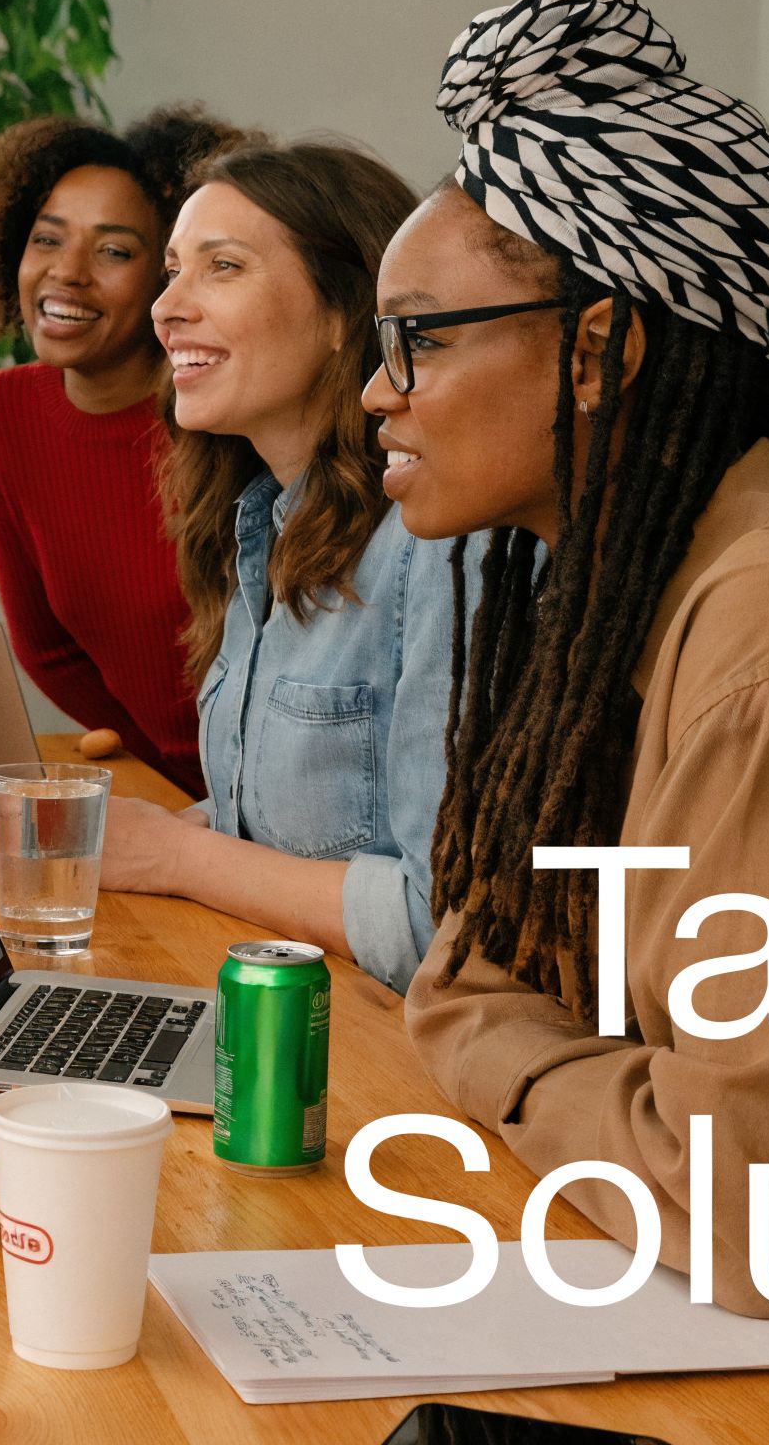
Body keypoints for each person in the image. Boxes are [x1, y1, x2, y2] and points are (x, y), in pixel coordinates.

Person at [375, 0, 769, 1317]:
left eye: (415, 340)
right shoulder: (605, 583)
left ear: (597, 352)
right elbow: (482, 966)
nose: (379, 391)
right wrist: (582, 1073)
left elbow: (755, 1215)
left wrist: (504, 1057)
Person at [94, 141, 479, 990]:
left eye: (221, 268)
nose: (166, 308)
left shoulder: (441, 546)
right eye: (171, 270)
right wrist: (159, 834)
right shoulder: (262, 519)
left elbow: (433, 923)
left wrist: (175, 858)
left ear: (348, 313)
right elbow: (288, 831)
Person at [0, 104, 258, 799]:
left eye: (114, 251)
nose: (68, 273)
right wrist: (163, 783)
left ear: (168, 276)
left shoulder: (230, 414)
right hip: (171, 801)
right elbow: (49, 652)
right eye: (46, 240)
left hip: (285, 810)